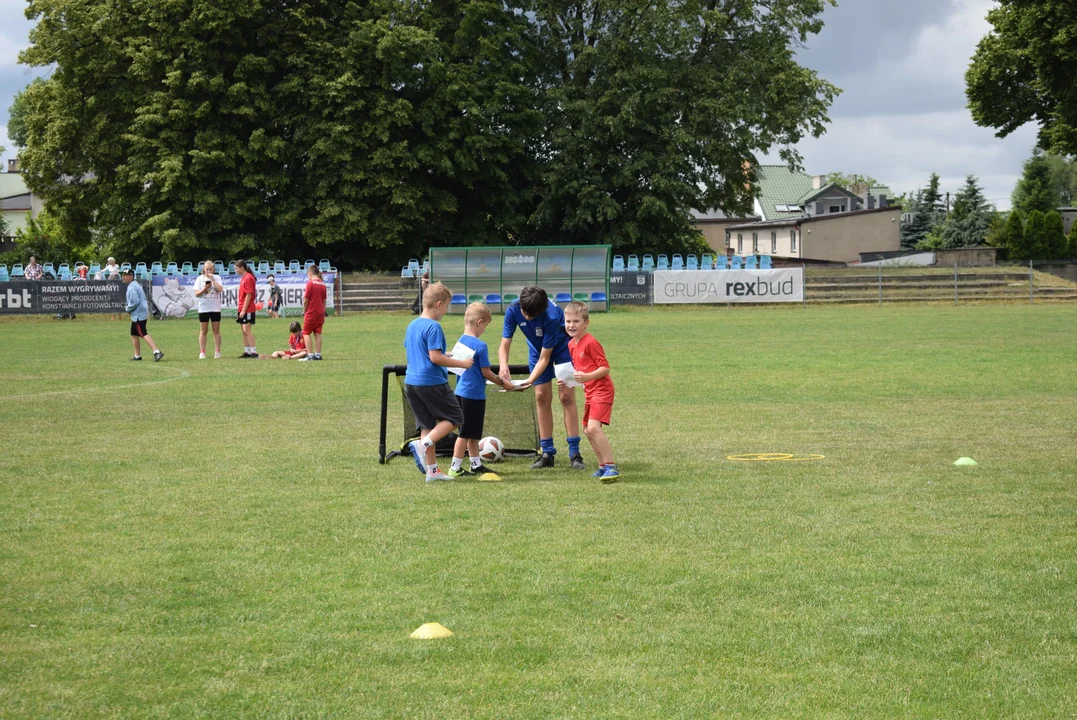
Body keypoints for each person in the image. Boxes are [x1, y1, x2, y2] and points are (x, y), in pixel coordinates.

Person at [498, 285, 584, 470]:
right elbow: (504, 344)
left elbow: (547, 358)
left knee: (566, 397)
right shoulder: (513, 310)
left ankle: (575, 453)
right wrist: (504, 366)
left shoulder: (552, 316)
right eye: (525, 314)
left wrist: (528, 381)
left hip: (562, 350)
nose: (528, 318)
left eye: (533, 316)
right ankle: (547, 453)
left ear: (542, 310)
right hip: (537, 352)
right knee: (541, 397)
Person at [403, 282, 473, 482]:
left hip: (411, 383)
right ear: (439, 304)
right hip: (431, 382)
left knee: (427, 425)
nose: (446, 311)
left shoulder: (412, 325)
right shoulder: (434, 327)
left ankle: (432, 471)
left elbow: (420, 351)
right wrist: (462, 363)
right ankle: (422, 445)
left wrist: (445, 354)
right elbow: (434, 358)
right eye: (447, 307)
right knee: (455, 418)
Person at [447, 302, 526, 478]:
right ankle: (455, 467)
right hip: (473, 395)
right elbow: (486, 372)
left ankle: (476, 464)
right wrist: (506, 384)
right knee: (465, 433)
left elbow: (458, 371)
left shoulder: (461, 341)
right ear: (479, 322)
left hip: (461, 392)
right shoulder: (480, 346)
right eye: (486, 326)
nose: (485, 330)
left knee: (473, 432)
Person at [563, 301, 619, 483]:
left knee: (594, 427)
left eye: (576, 321)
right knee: (587, 430)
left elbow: (605, 368)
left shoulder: (591, 342)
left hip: (602, 390)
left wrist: (587, 377)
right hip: (590, 391)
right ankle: (602, 466)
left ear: (586, 323)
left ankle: (611, 466)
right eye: (568, 321)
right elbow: (579, 370)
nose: (571, 325)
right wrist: (566, 380)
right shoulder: (572, 344)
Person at [121, 268, 163, 362]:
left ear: (131, 276)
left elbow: (134, 302)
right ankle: (137, 356)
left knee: (143, 333)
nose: (123, 277)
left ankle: (156, 351)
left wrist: (127, 309)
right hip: (139, 314)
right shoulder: (134, 285)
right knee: (134, 334)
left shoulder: (132, 287)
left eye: (125, 275)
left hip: (138, 315)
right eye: (123, 275)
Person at [193, 260, 223, 359]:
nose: (209, 271)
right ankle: (202, 351)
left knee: (216, 330)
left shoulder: (217, 278)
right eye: (207, 269)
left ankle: (217, 351)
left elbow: (220, 289)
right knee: (203, 330)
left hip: (215, 308)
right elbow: (197, 294)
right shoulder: (199, 279)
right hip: (203, 308)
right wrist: (205, 288)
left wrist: (213, 280)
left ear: (213, 269)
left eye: (210, 269)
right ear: (204, 270)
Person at [298, 265, 327, 362]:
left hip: (311, 313)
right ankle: (318, 355)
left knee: (306, 333)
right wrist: (323, 312)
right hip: (320, 313)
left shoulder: (310, 284)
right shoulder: (323, 284)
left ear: (310, 274)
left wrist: (304, 311)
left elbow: (306, 300)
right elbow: (324, 301)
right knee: (318, 333)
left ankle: (310, 355)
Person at [235, 259, 258, 358]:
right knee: (243, 331)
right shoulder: (244, 277)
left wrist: (244, 310)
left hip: (247, 309)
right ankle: (247, 351)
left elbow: (249, 295)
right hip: (242, 308)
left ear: (242, 268)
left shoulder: (248, 278)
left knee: (247, 331)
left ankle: (254, 352)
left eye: (236, 268)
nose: (235, 270)